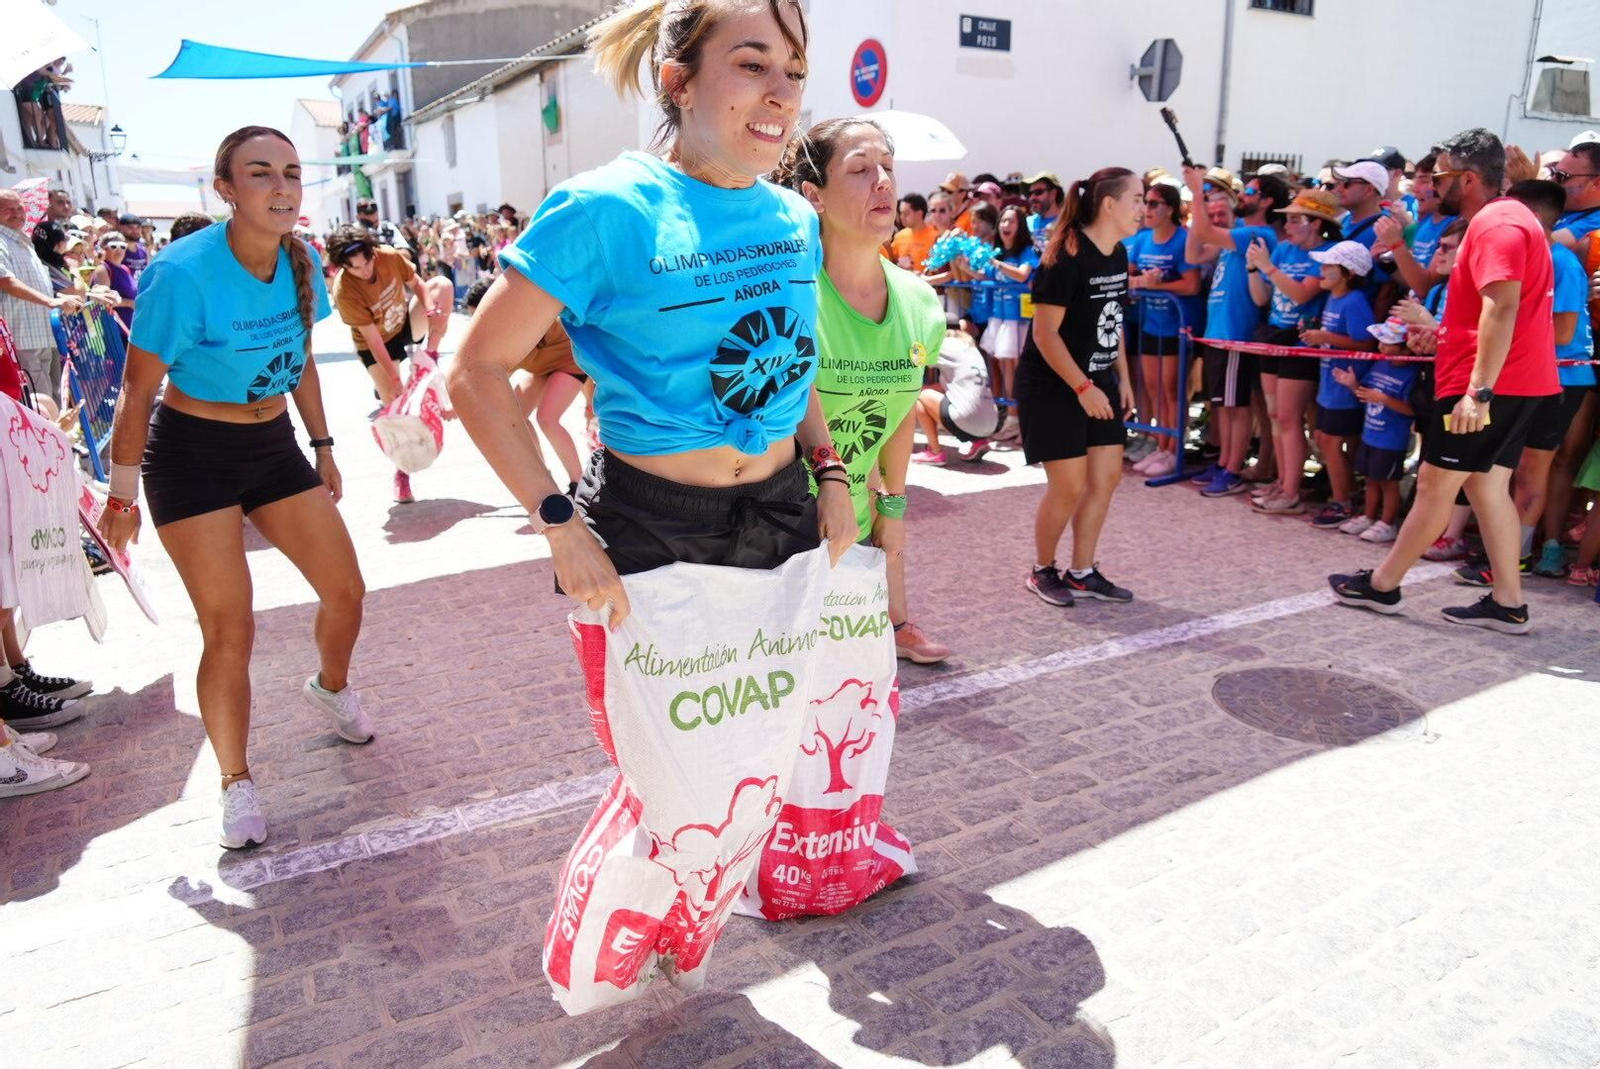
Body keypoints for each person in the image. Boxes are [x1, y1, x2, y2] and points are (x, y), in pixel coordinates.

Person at [446, 0, 855, 648]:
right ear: (677, 82)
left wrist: (829, 472)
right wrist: (559, 522)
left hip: (782, 508)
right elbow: (475, 370)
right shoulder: (604, 209)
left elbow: (786, 361)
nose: (782, 95)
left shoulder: (793, 218)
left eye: (796, 71)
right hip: (653, 530)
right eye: (753, 64)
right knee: (669, 747)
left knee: (772, 736)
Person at [96, 126, 374, 850]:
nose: (281, 187)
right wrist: (120, 498)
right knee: (231, 627)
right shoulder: (181, 273)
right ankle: (236, 781)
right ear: (226, 188)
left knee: (345, 589)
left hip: (273, 444)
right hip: (193, 455)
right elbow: (136, 389)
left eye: (290, 172)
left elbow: (302, 359)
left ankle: (331, 685)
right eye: (260, 174)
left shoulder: (303, 257)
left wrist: (322, 446)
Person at [1331, 128, 1558, 634]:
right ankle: (1508, 602)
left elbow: (1502, 307)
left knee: (1436, 485)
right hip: (1513, 379)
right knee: (1487, 487)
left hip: (1489, 383)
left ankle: (1383, 586)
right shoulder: (1513, 216)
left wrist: (1478, 390)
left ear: (1470, 179)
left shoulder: (1496, 223)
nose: (1431, 183)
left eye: (1441, 175)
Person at [779, 118, 950, 664]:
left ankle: (897, 623)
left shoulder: (921, 303)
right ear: (814, 196)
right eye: (859, 169)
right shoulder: (787, 292)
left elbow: (899, 413)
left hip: (855, 529)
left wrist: (892, 508)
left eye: (888, 168)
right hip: (776, 532)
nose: (883, 182)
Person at [1019, 167, 1142, 607]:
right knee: (1068, 485)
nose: (1143, 210)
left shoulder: (1119, 253)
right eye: (1137, 199)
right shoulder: (1065, 256)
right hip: (1055, 386)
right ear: (1109, 204)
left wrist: (1122, 380)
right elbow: (1045, 335)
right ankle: (1042, 570)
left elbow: (1115, 320)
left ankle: (1082, 572)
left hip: (1097, 382)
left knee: (1106, 478)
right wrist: (1083, 387)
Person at [1245, 189, 1341, 514]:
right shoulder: (1285, 249)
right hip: (1274, 336)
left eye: (1295, 220)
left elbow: (1301, 295)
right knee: (1276, 417)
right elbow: (1261, 299)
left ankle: (1291, 491)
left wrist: (1268, 267)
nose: (1287, 227)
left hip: (1300, 345)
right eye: (1287, 219)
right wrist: (1253, 269)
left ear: (1316, 224)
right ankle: (1283, 482)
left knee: (1288, 417)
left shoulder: (1326, 253)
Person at [1183, 165, 1276, 497]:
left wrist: (1196, 194)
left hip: (1237, 334)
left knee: (1237, 408)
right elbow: (1194, 253)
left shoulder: (1256, 234)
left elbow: (1206, 235)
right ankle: (1223, 461)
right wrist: (1204, 206)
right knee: (1222, 405)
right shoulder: (1236, 236)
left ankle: (1233, 468)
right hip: (1218, 333)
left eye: (1249, 192)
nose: (1242, 196)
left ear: (1266, 202)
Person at [462, 277, 588, 492]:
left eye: (478, 315)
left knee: (547, 419)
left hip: (569, 361)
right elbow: (491, 379)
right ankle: (544, 480)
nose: (477, 323)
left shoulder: (521, 318)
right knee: (516, 415)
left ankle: (579, 484)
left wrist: (591, 402)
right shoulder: (495, 334)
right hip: (541, 368)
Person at [1300, 240, 1377, 528]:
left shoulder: (1354, 301)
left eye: (1328, 265)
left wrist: (1326, 338)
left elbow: (1365, 341)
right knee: (1324, 440)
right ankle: (1347, 495)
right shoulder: (1333, 298)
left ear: (1347, 273)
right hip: (1329, 383)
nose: (1322, 270)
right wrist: (1316, 336)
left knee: (1331, 442)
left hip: (1345, 387)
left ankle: (1343, 501)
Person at [1126, 180, 1200, 477]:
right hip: (1149, 323)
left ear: (1170, 209)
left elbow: (1192, 284)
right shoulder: (1143, 239)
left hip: (1175, 325)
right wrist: (1137, 281)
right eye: (1145, 202)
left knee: (1171, 390)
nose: (1147, 209)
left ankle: (1173, 448)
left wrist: (1160, 284)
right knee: (1153, 387)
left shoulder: (1183, 240)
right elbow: (1129, 273)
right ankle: (1161, 443)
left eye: (1154, 203)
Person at [1329, 329, 1416, 542]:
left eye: (1388, 344)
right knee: (1370, 479)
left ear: (1405, 348)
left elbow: (1412, 411)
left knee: (1388, 482)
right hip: (1370, 434)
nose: (1381, 347)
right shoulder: (1379, 363)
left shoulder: (1413, 373)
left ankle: (1387, 523)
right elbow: (1365, 394)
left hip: (1391, 440)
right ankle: (1368, 517)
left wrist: (1384, 399)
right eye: (1381, 342)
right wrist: (1352, 385)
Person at [0, 189, 85, 396]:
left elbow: (40, 286)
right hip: (20, 338)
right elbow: (6, 281)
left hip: (42, 334)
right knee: (40, 405)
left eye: (20, 207)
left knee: (53, 399)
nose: (17, 213)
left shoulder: (24, 243)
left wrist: (60, 299)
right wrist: (50, 301)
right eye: (7, 209)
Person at [913, 321, 1001, 463]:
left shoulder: (945, 344)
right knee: (931, 394)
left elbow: (916, 357)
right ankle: (979, 441)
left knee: (918, 395)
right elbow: (949, 387)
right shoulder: (970, 348)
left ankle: (934, 451)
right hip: (991, 422)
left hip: (967, 418)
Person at [91, 230, 138, 331]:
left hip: (130, 326)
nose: (119, 250)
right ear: (104, 249)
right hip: (115, 329)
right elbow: (105, 301)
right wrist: (130, 303)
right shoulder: (103, 269)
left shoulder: (125, 269)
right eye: (113, 246)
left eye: (122, 246)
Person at [887, 193, 937, 273]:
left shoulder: (935, 236)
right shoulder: (899, 236)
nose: (902, 217)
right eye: (900, 213)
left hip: (927, 283)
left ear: (919, 214)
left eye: (906, 213)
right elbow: (890, 260)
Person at [1026, 171, 1065, 255]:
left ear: (1053, 194)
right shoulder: (1026, 222)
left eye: (1038, 192)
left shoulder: (1066, 223)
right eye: (1029, 194)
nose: (1032, 197)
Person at [116, 213, 151, 281]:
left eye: (137, 227)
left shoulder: (143, 251)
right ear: (120, 228)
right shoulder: (116, 250)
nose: (135, 231)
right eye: (130, 227)